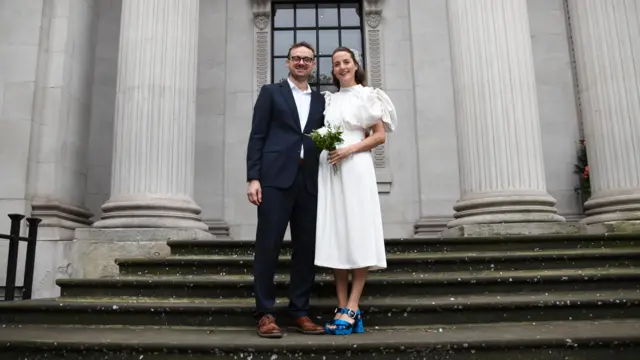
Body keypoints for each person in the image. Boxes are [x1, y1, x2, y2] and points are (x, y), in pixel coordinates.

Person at [246, 42, 326, 339]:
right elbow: (257, 135)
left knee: (306, 249)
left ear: (313, 64)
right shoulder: (271, 93)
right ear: (288, 62)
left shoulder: (321, 100)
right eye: (296, 59)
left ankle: (299, 311)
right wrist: (253, 177)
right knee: (268, 246)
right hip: (274, 181)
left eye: (307, 59)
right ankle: (265, 313)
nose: (301, 63)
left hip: (309, 183)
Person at [315, 47, 397, 335]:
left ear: (355, 65)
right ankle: (343, 307)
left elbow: (380, 136)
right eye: (336, 64)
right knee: (337, 234)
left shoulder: (368, 95)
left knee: (358, 231)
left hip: (356, 167)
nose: (341, 67)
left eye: (345, 62)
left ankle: (352, 303)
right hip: (331, 170)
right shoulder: (329, 100)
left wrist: (349, 149)